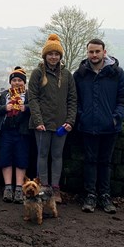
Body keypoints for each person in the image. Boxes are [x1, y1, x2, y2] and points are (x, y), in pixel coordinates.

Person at [73, 38, 124, 214]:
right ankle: (90, 196)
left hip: (109, 127)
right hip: (87, 126)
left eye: (97, 51)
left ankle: (105, 196)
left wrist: (115, 118)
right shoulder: (80, 74)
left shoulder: (117, 73)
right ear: (87, 53)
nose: (94, 55)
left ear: (104, 52)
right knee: (89, 161)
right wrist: (81, 117)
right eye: (91, 52)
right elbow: (73, 100)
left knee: (105, 162)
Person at [28, 34, 77, 203]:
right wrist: (38, 120)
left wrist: (70, 121)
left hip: (61, 124)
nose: (54, 57)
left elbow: (72, 99)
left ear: (60, 56)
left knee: (57, 156)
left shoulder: (67, 75)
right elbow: (32, 98)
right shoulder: (37, 73)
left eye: (57, 54)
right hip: (41, 124)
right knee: (41, 155)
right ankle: (43, 187)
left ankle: (55, 189)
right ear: (45, 56)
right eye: (50, 54)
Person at [0, 66, 31, 203]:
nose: (17, 83)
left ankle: (19, 188)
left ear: (24, 83)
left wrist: (25, 108)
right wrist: (5, 108)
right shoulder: (4, 95)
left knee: (21, 159)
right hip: (6, 131)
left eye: (20, 80)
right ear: (10, 82)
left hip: (22, 132)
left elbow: (36, 108)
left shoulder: (29, 95)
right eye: (14, 80)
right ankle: (8, 188)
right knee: (5, 158)